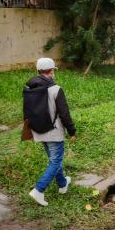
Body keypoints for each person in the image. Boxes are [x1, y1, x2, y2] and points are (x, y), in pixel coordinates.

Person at [25, 58, 76, 206]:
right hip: (54, 132)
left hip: (38, 130)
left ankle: (62, 184)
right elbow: (64, 114)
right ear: (52, 71)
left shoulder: (29, 87)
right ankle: (38, 190)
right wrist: (72, 131)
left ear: (37, 71)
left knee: (54, 160)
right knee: (56, 161)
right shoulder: (56, 89)